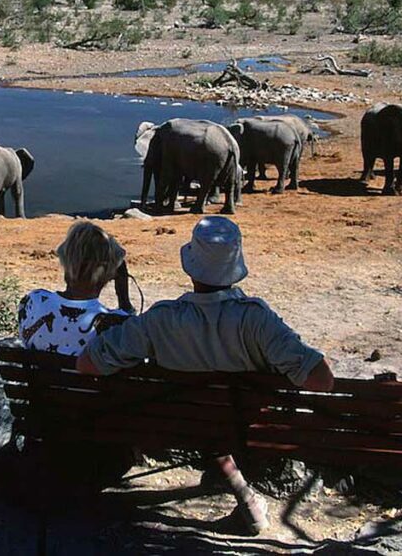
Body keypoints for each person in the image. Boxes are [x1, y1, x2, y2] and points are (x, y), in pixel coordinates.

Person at [75, 216, 334, 535]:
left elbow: (87, 364)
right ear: (236, 264)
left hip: (178, 425)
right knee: (216, 421)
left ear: (191, 266)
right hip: (243, 427)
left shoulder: (161, 319)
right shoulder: (256, 321)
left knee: (200, 417)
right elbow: (322, 379)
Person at [18, 221, 134, 354]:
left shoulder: (33, 301)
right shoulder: (116, 324)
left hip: (38, 375)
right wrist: (124, 299)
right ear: (110, 275)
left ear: (65, 261)